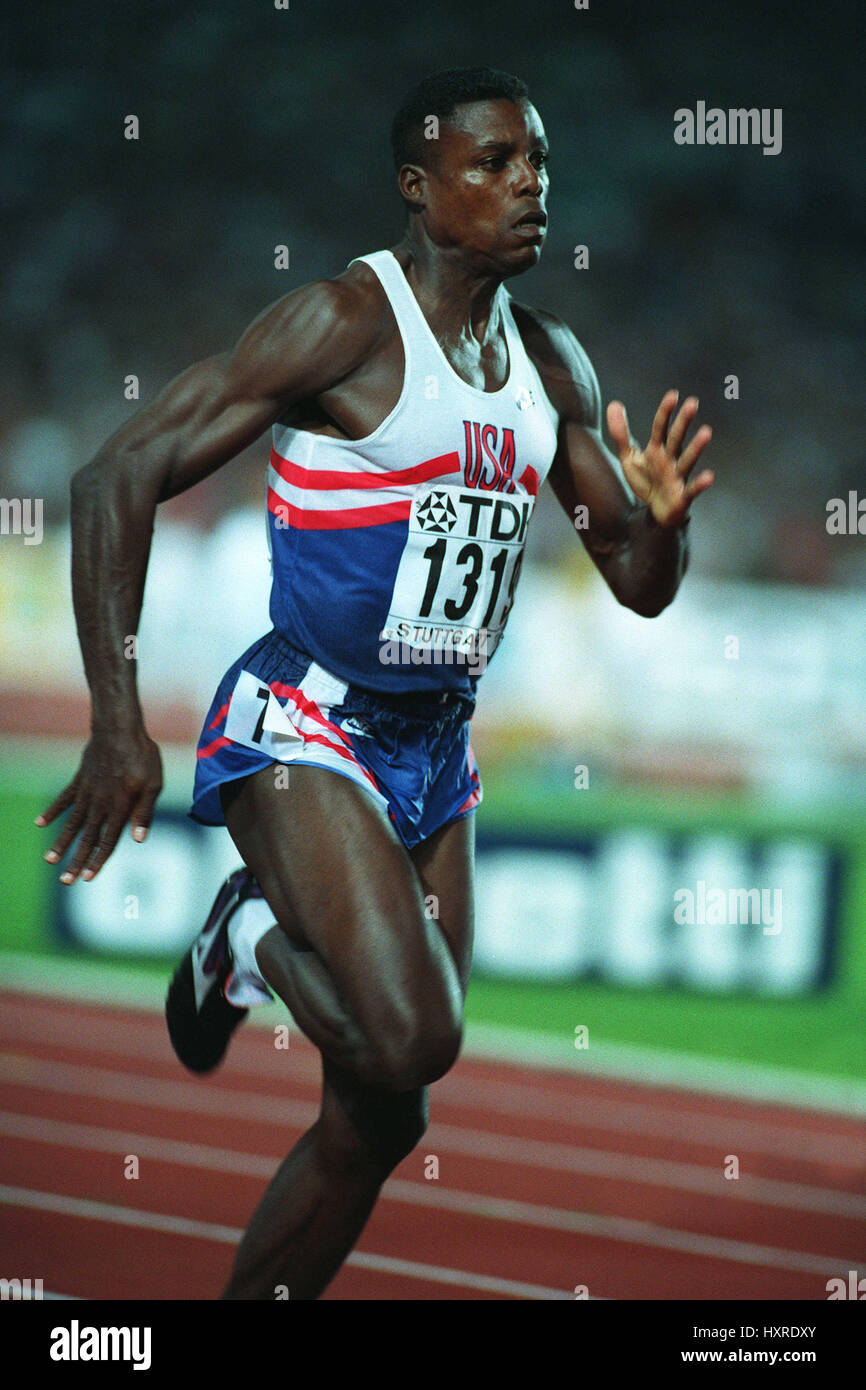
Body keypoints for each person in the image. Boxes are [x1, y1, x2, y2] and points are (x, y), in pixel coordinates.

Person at [36, 66, 713, 1300]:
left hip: (433, 750)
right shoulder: (346, 322)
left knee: (382, 1116)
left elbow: (638, 578)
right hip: (304, 723)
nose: (527, 186)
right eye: (493, 163)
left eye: (539, 163)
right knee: (416, 1032)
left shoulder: (550, 363)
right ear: (418, 186)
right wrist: (118, 724)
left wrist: (661, 525)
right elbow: (114, 476)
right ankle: (244, 934)